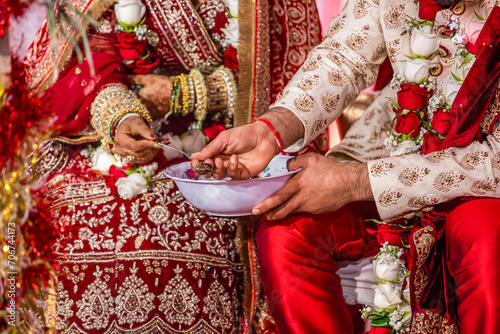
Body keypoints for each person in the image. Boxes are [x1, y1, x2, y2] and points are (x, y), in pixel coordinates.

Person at [193, 0, 500, 332]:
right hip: (401, 151)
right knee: (287, 229)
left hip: (483, 185)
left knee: (483, 236)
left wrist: (357, 182)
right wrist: (272, 129)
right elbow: (345, 56)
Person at [17, 0, 323, 332]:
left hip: (226, 146)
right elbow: (76, 61)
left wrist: (189, 93)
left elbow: (297, 85)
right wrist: (117, 113)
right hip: (98, 139)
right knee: (66, 235)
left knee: (184, 234)